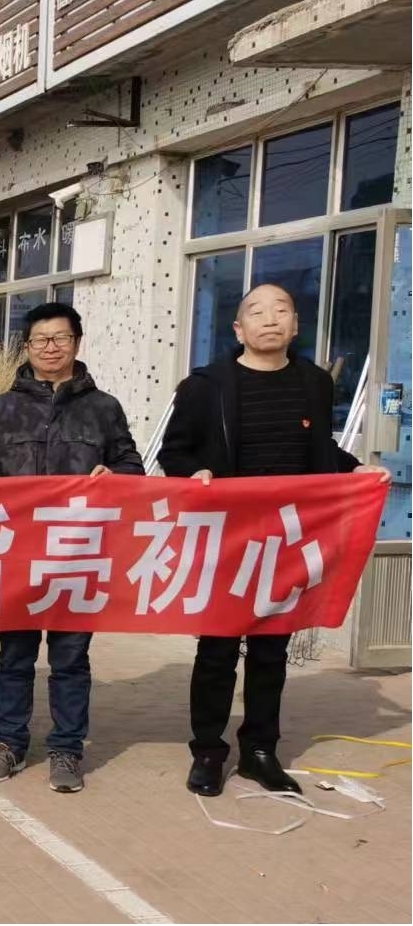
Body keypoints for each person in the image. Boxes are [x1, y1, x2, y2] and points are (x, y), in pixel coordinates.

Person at [159, 283, 391, 797]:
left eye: (281, 310)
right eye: (257, 312)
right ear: (238, 328)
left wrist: (356, 469)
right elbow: (173, 452)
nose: (270, 319)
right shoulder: (205, 386)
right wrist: (193, 473)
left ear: (295, 325)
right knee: (217, 651)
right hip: (228, 539)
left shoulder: (313, 383)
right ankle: (208, 752)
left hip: (288, 539)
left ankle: (260, 751)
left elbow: (321, 449)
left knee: (271, 649)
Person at [0, 302, 144, 794]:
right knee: (14, 657)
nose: (50, 347)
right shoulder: (1, 410)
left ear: (77, 342)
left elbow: (131, 464)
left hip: (78, 554)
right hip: (17, 556)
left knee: (71, 659)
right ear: (27, 347)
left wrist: (115, 474)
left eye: (60, 338)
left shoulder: (103, 408)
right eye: (40, 340)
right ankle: (8, 742)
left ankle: (67, 748)